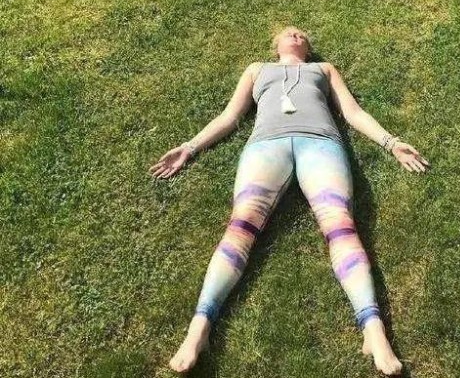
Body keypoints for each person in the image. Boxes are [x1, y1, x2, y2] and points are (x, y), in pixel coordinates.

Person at [149, 26, 430, 375]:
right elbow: (230, 117)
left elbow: (353, 113)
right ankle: (199, 327)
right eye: (289, 33)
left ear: (308, 48)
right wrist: (189, 148)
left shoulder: (323, 69)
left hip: (320, 144)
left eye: (301, 35)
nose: (296, 35)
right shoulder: (257, 70)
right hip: (266, 146)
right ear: (276, 44)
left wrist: (392, 143)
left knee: (340, 224)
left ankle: (373, 330)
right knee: (241, 225)